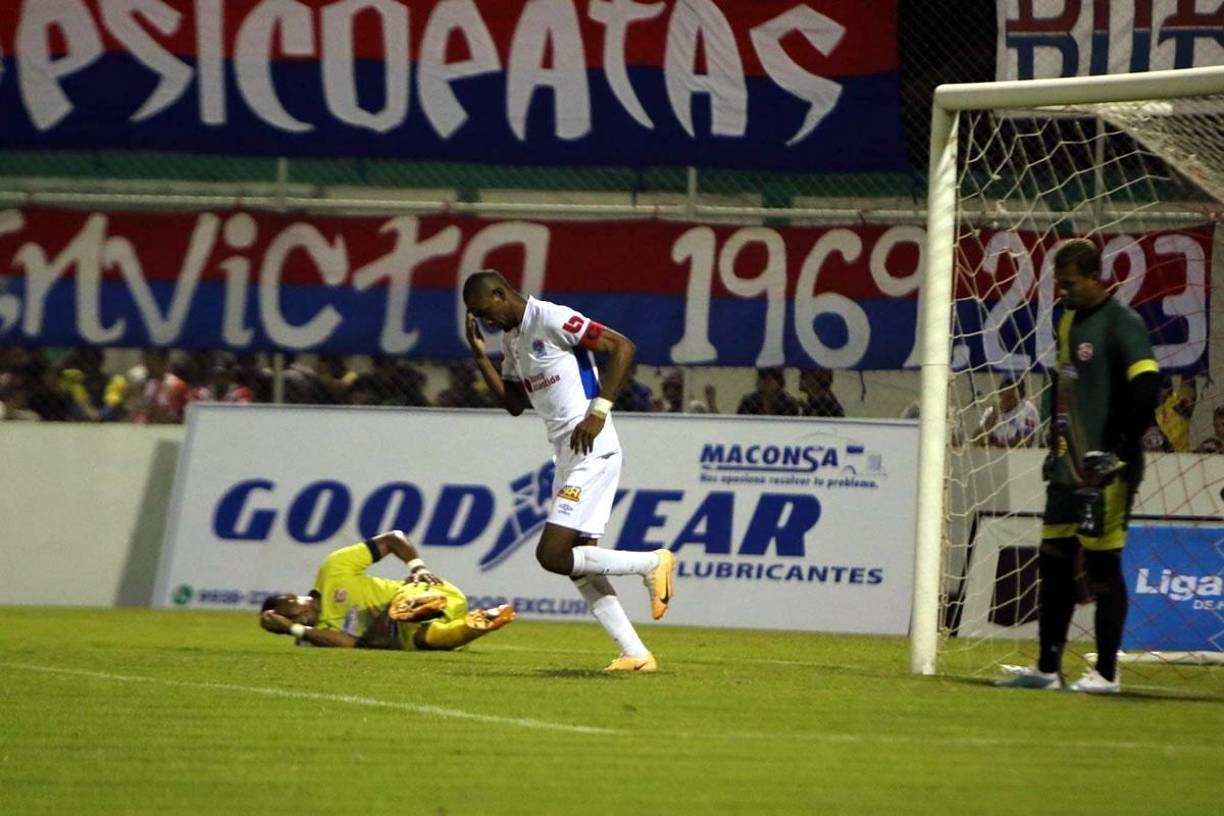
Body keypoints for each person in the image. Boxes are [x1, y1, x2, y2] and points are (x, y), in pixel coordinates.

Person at [463, 270, 674, 672]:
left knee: (552, 554)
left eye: (483, 311)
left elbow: (622, 347)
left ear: (500, 293)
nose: (485, 322)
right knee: (580, 562)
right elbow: (512, 403)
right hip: (566, 456)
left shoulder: (552, 318)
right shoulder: (511, 341)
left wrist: (598, 412)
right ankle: (636, 654)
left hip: (593, 450)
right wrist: (479, 357)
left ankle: (653, 563)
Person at [1001, 239, 1158, 694]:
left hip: (1107, 469)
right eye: (1058, 282)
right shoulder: (1068, 320)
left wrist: (1121, 450)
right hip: (1067, 469)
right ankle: (1048, 669)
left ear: (1095, 278)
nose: (1062, 290)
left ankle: (1107, 673)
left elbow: (1146, 386)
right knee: (1053, 564)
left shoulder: (1123, 324)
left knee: (1103, 567)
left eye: (1069, 282)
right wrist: (1057, 445)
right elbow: (1067, 388)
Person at [260, 529, 514, 650]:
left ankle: (422, 605)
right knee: (423, 641)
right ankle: (478, 622)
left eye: (292, 612)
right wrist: (293, 630)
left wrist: (417, 568)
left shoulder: (333, 570)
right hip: (427, 621)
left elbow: (392, 539)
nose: (297, 619)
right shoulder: (316, 636)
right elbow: (348, 644)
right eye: (289, 622)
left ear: (293, 598)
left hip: (421, 591)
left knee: (398, 609)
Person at [972, 376, 1040, 448]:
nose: (1006, 398)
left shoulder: (1028, 410)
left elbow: (1026, 442)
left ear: (1022, 395)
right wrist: (993, 417)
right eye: (1003, 393)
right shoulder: (990, 411)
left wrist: (998, 444)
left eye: (1011, 396)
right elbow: (977, 442)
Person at [736, 367, 801, 416]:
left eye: (773, 377)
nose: (767, 381)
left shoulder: (788, 403)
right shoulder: (749, 401)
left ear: (780, 381)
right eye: (763, 376)